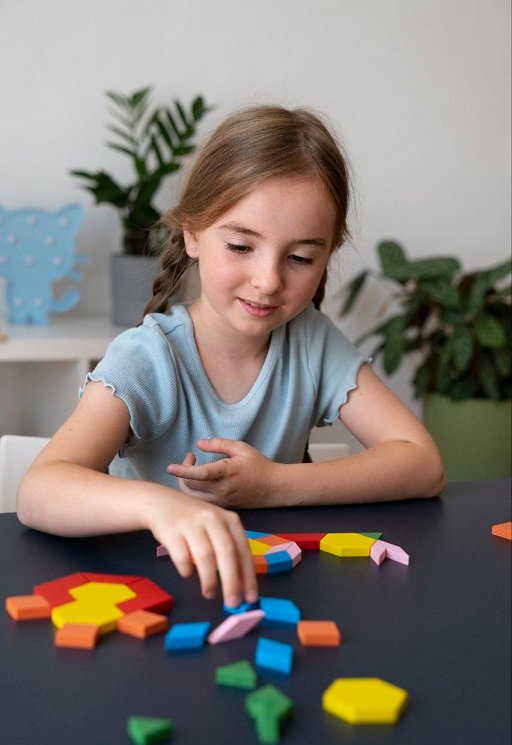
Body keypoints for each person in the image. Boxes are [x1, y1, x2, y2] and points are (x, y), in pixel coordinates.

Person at [17, 105, 445, 608]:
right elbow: (39, 490)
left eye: (302, 257)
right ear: (193, 234)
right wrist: (163, 508)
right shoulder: (148, 358)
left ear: (329, 254)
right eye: (242, 246)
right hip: (157, 600)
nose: (268, 279)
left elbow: (423, 463)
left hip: (273, 599)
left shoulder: (310, 341)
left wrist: (275, 486)